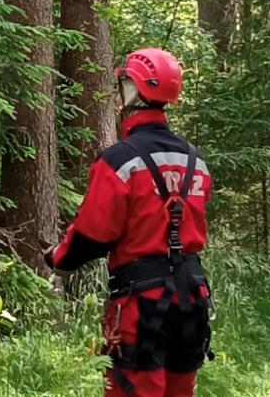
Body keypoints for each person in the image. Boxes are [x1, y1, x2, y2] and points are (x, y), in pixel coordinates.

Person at [47, 48, 214, 397]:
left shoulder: (120, 161)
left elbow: (93, 233)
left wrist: (59, 257)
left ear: (134, 90)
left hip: (143, 302)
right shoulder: (194, 160)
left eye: (124, 84)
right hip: (193, 297)